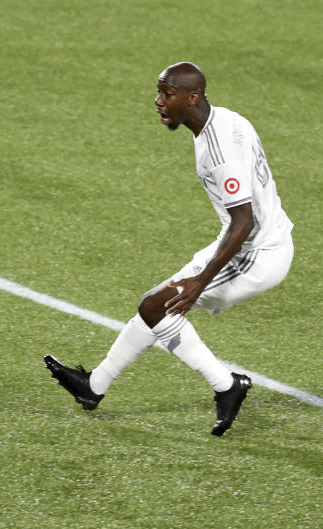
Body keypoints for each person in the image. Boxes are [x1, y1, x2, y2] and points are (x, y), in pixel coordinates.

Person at [45, 62, 294, 436]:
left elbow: (245, 223)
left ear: (192, 97)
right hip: (244, 241)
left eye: (167, 94)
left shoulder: (219, 150)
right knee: (154, 306)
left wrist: (200, 281)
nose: (158, 101)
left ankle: (228, 386)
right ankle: (93, 387)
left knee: (158, 306)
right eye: (159, 92)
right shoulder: (227, 119)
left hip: (256, 253)